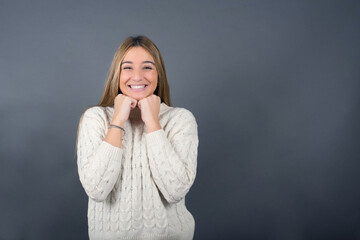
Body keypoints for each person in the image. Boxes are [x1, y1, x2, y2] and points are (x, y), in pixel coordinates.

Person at [76, 35, 199, 240]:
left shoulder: (180, 120)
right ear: (117, 74)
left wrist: (153, 123)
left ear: (158, 74)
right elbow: (96, 190)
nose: (137, 76)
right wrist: (117, 120)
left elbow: (175, 190)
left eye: (147, 67)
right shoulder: (95, 118)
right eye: (128, 67)